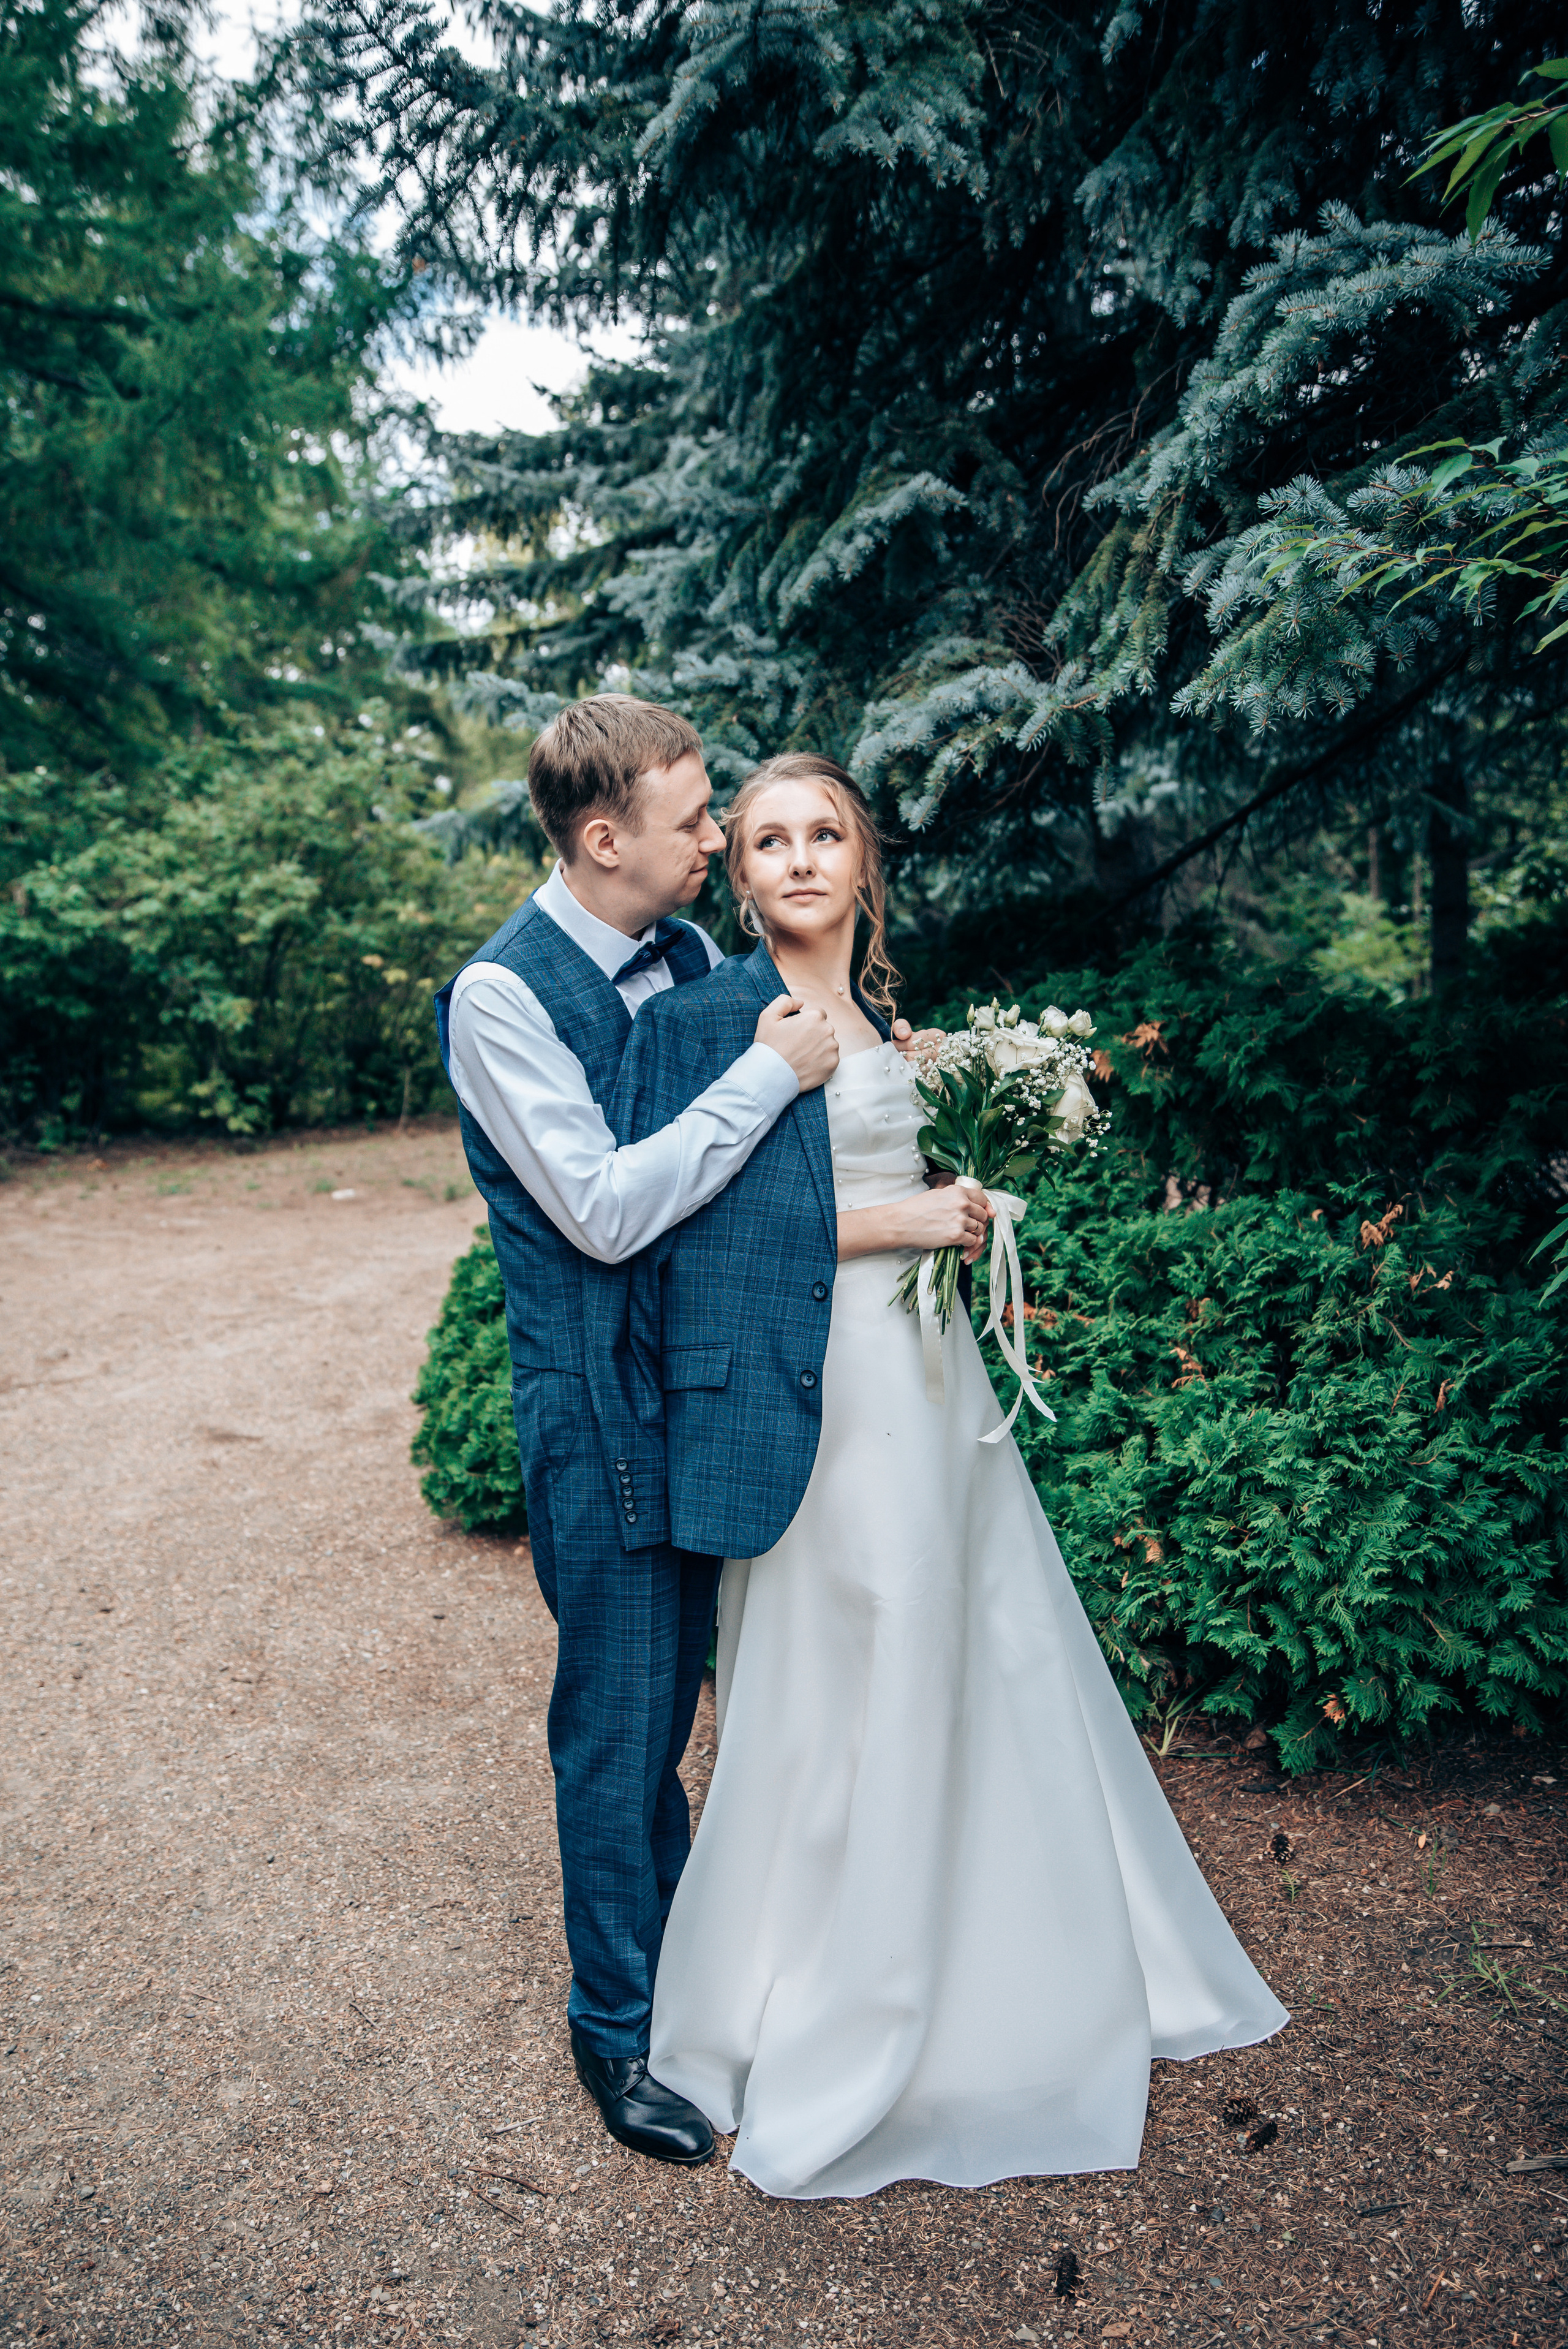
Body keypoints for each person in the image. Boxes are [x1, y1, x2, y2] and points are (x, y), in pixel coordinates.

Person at [603, 752, 1289, 2201]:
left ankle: (1006, 1956)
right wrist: (899, 1218)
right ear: (736, 876)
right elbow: (693, 1243)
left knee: (977, 1644)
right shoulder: (707, 1018)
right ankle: (828, 1987)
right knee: (840, 1663)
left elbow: (885, 1185)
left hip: (925, 1382)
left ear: (863, 862)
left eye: (824, 835)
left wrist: (961, 1202)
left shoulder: (886, 1020)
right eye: (769, 840)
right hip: (816, 1395)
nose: (797, 860)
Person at [433, 697, 843, 2168]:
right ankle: (615, 2027)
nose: (719, 836)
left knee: (699, 1706)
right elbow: (603, 1211)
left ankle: (699, 1981)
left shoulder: (683, 952)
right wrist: (765, 1075)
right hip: (597, 1402)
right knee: (619, 1727)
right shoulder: (500, 997)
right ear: (603, 838)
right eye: (693, 819)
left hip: (706, 1385)